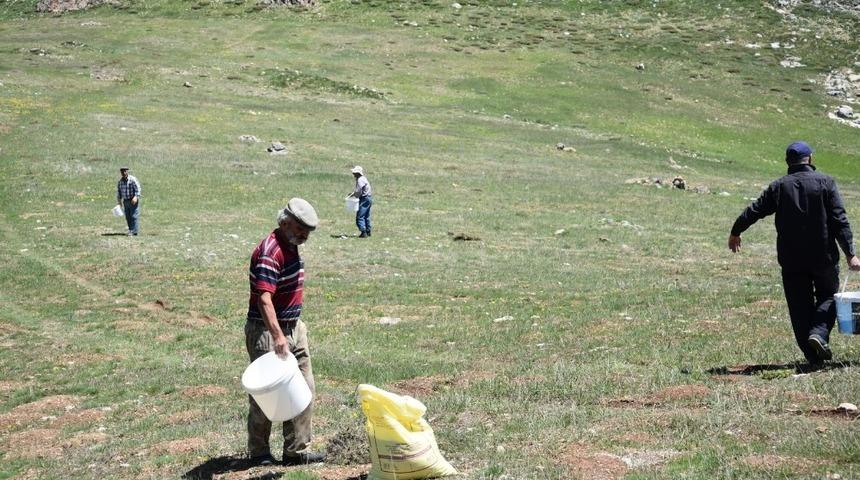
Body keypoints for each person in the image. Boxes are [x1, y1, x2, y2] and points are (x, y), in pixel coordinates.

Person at [728, 141, 860, 364]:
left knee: (799, 304)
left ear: (788, 162)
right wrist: (850, 253)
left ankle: (812, 355)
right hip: (823, 256)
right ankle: (818, 334)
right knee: (828, 295)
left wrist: (736, 231)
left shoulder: (779, 187)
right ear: (809, 159)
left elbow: (755, 210)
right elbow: (839, 220)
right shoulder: (826, 182)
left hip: (791, 258)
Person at [245, 198, 325, 466]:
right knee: (267, 394)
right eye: (301, 230)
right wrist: (278, 336)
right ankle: (259, 453)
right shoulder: (270, 251)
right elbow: (264, 299)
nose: (304, 236)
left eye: (307, 232)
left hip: (294, 327)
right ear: (284, 223)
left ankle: (296, 451)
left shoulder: (290, 245)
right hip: (268, 331)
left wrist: (294, 329)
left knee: (304, 388)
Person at [348, 166, 373, 238]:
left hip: (364, 199)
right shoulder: (364, 178)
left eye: (354, 173)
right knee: (366, 216)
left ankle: (363, 232)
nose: (353, 174)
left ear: (358, 173)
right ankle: (368, 231)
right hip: (369, 198)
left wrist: (353, 195)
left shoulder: (360, 180)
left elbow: (358, 192)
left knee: (360, 216)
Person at [116, 167, 141, 236]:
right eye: (122, 172)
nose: (124, 173)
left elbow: (138, 188)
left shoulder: (132, 179)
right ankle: (131, 230)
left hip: (133, 200)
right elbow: (119, 192)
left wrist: (136, 197)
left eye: (125, 171)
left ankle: (134, 231)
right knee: (128, 216)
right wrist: (119, 201)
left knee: (134, 215)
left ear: (127, 171)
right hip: (125, 201)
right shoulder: (120, 181)